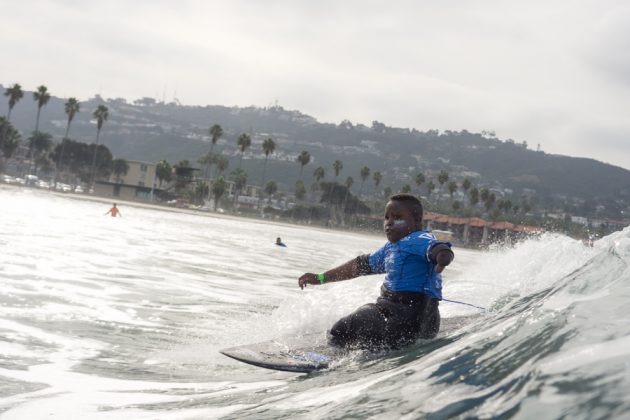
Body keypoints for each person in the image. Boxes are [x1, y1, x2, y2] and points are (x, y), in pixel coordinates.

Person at [298, 193, 454, 350]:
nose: (389, 223)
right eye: (387, 218)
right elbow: (358, 267)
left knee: (341, 329)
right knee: (368, 325)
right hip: (423, 324)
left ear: (417, 220)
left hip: (401, 318)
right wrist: (320, 277)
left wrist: (443, 257)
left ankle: (330, 356)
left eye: (398, 218)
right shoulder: (392, 248)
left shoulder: (418, 238)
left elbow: (438, 248)